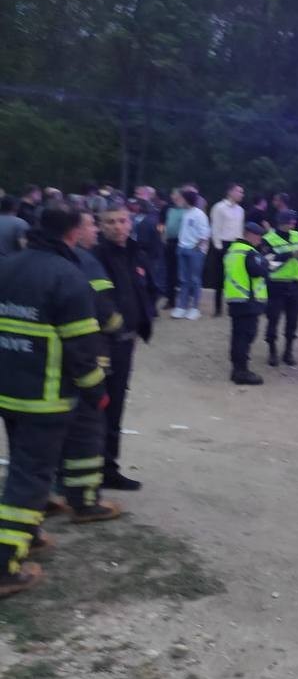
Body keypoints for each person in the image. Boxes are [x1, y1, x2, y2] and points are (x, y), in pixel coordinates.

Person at [0, 204, 106, 598]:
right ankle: (5, 565)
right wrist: (97, 390)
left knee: (23, 468)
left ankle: (30, 534)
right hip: (44, 398)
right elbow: (82, 351)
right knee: (30, 478)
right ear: (74, 232)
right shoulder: (68, 277)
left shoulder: (7, 266)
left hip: (8, 389)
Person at [55, 209, 124, 523]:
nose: (96, 230)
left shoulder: (24, 262)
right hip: (85, 355)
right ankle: (83, 501)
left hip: (38, 366)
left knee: (45, 433)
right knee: (87, 428)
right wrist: (120, 325)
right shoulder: (84, 262)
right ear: (73, 231)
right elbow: (104, 312)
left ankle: (53, 490)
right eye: (91, 225)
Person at [94, 201, 156, 492]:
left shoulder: (134, 252)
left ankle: (109, 467)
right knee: (100, 406)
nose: (118, 226)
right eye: (111, 222)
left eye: (122, 221)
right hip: (106, 343)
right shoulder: (96, 257)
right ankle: (94, 467)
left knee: (116, 406)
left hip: (127, 341)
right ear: (100, 226)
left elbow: (142, 289)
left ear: (130, 223)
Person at [224, 221, 271, 384]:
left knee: (238, 336)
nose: (260, 240)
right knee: (245, 336)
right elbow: (260, 271)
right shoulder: (249, 252)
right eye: (258, 236)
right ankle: (241, 372)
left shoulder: (232, 250)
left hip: (236, 300)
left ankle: (237, 369)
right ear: (250, 235)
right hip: (247, 302)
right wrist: (265, 262)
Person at [263, 209, 298, 367]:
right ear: (282, 222)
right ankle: (272, 351)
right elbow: (269, 262)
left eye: (293, 221)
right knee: (273, 319)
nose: (293, 223)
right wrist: (290, 255)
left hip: (296, 282)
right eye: (291, 221)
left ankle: (288, 351)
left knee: (293, 320)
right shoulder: (268, 239)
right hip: (277, 284)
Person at [173, 188, 210, 319]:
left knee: (195, 279)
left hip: (195, 250)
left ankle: (195, 308)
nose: (179, 200)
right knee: (183, 279)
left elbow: (205, 234)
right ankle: (182, 306)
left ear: (187, 199)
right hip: (182, 248)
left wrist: (196, 247)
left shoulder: (199, 214)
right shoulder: (185, 213)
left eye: (182, 198)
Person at [209, 183, 245, 317]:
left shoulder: (240, 210)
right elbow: (215, 228)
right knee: (219, 277)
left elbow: (239, 230)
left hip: (236, 244)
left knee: (235, 276)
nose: (241, 195)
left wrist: (241, 245)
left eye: (242, 192)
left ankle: (233, 306)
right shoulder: (219, 208)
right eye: (239, 192)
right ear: (230, 192)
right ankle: (218, 308)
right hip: (222, 244)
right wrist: (218, 247)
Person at [161, 188, 186, 307]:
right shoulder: (169, 209)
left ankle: (182, 300)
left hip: (181, 243)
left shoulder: (186, 210)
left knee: (180, 273)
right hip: (169, 243)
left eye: (175, 194)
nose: (173, 196)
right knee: (170, 272)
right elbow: (164, 225)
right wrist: (163, 237)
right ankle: (170, 300)